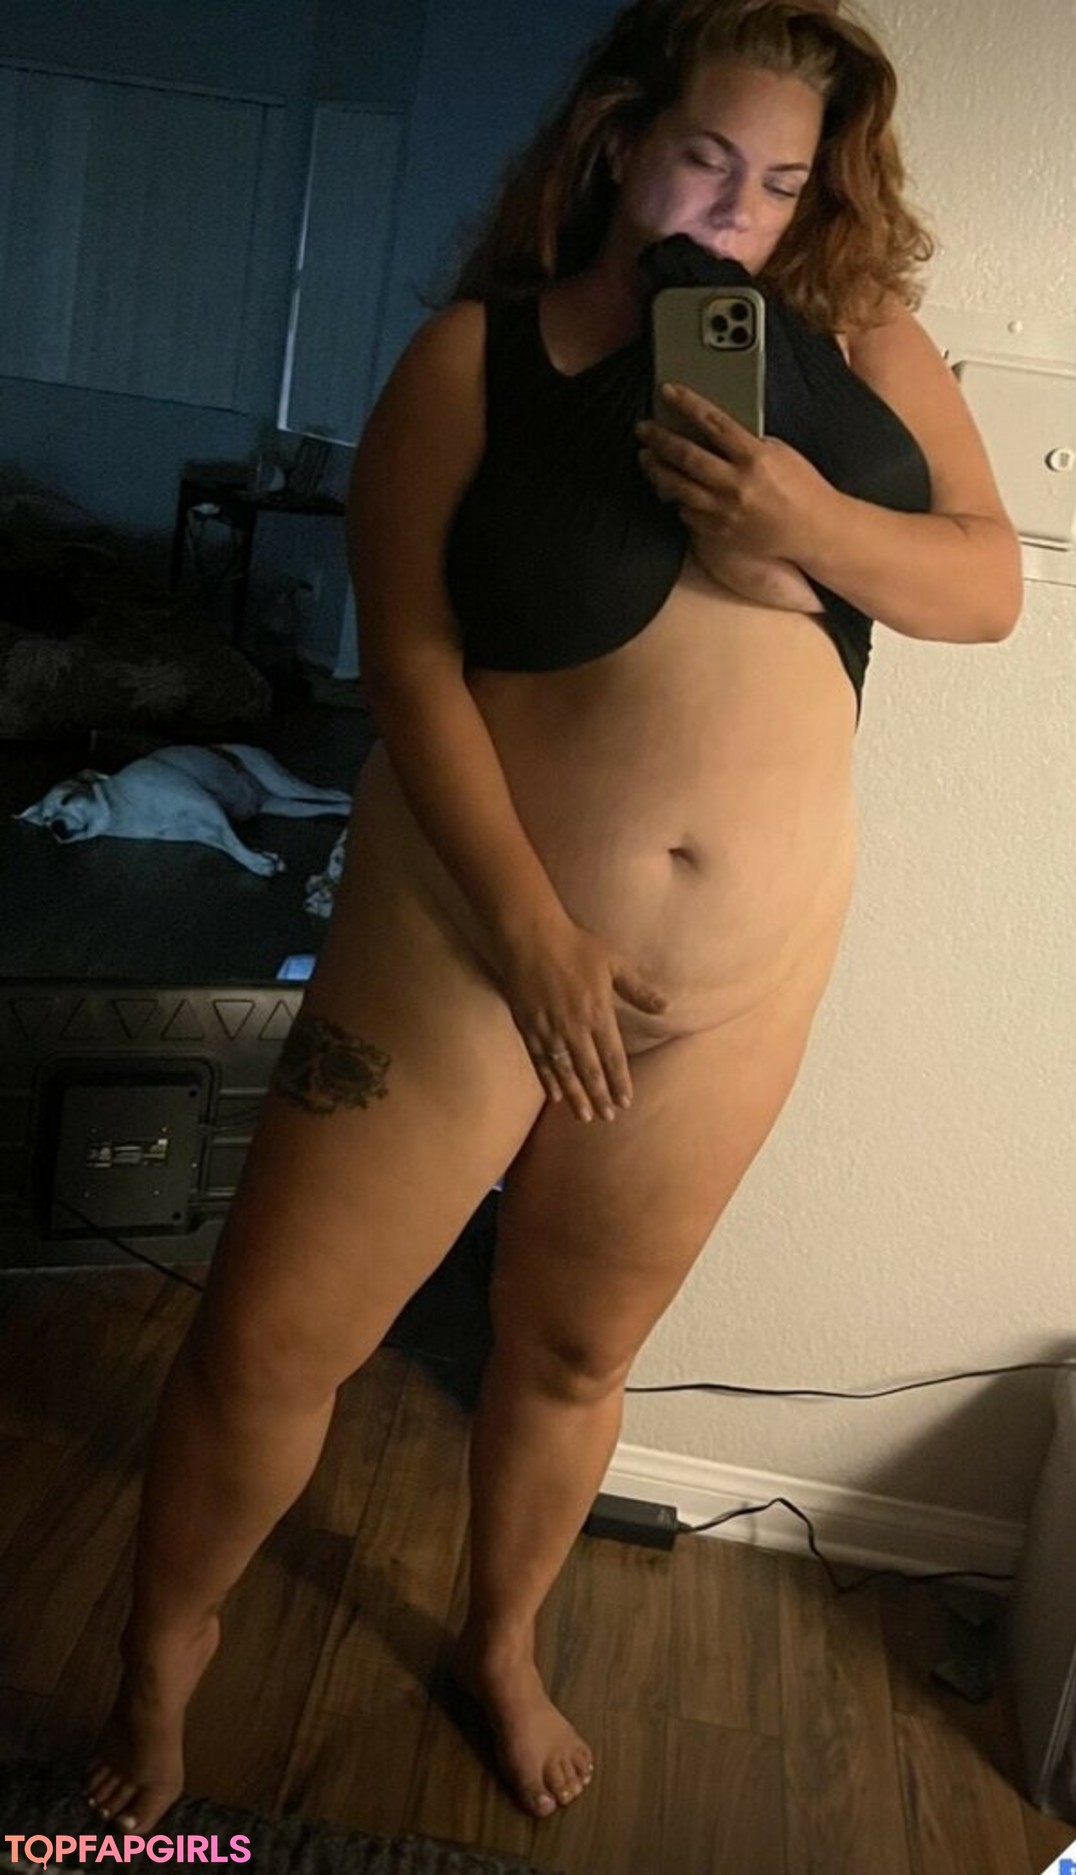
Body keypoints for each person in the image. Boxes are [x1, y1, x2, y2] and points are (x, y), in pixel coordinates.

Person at [84, 0, 1022, 1835]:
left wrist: (804, 516)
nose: (737, 212)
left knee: (580, 1351)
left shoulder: (872, 356)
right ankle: (155, 1672)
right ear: (615, 141)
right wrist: (526, 933)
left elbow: (984, 587)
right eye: (703, 159)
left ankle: (501, 1645)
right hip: (468, 941)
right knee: (273, 1344)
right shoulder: (480, 357)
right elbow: (412, 672)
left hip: (734, 990)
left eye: (781, 181)